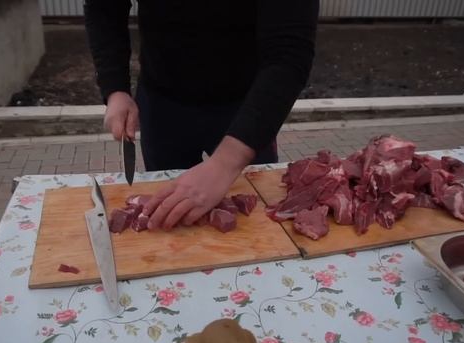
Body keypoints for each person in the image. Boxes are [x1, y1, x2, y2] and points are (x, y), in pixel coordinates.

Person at [85, 0, 319, 231]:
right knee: (169, 214)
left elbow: (289, 52)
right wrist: (115, 88)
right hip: (162, 102)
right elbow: (104, 7)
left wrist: (226, 163)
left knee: (257, 220)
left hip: (248, 107)